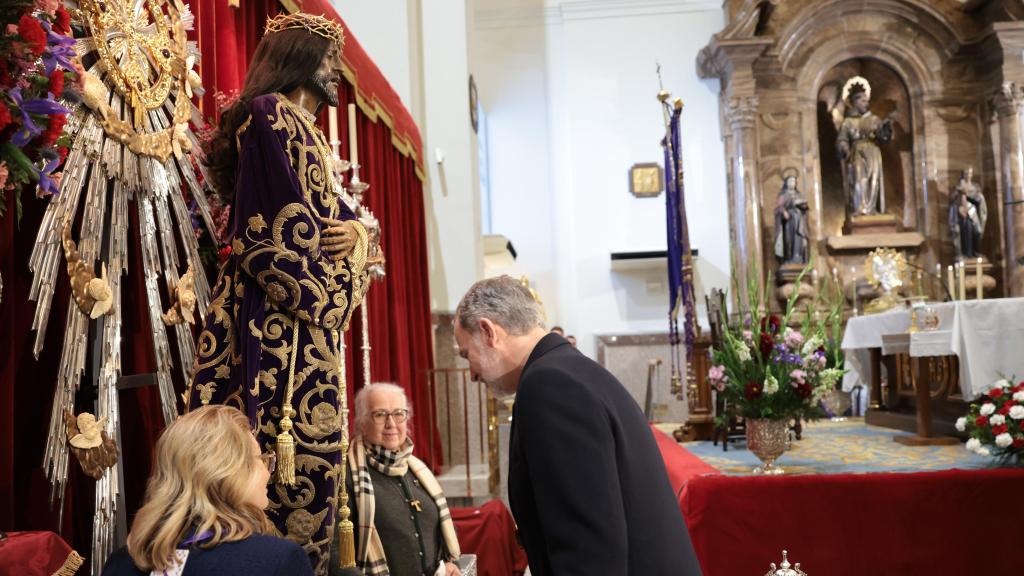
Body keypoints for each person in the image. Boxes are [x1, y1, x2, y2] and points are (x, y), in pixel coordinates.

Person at [185, 13, 379, 574]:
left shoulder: (305, 130)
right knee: (280, 471)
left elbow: (346, 226)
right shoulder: (272, 117)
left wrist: (361, 239)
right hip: (276, 325)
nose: (337, 72)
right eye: (327, 59)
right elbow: (270, 235)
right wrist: (339, 286)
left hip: (299, 326)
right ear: (295, 58)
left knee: (312, 486)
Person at [453, 276, 702, 575]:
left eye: (467, 355)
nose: (472, 374)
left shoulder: (549, 386)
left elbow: (588, 544)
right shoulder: (569, 369)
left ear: (488, 331)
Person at [102, 405, 314, 575]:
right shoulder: (278, 561)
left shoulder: (121, 563)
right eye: (261, 460)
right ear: (231, 471)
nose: (269, 473)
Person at [343, 383, 461, 576]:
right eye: (380, 414)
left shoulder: (418, 469)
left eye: (399, 414)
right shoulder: (347, 478)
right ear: (362, 423)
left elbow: (441, 526)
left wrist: (449, 563)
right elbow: (339, 556)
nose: (391, 424)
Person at [836, 79, 892, 216]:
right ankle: (859, 209)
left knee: (873, 180)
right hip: (856, 152)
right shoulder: (848, 121)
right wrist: (843, 146)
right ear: (854, 103)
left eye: (867, 101)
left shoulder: (874, 119)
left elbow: (883, 137)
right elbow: (842, 138)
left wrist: (886, 129)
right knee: (859, 180)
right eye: (862, 101)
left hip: (873, 151)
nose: (866, 104)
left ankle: (872, 209)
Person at [949, 167, 987, 261]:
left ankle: (976, 252)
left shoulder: (975, 186)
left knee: (977, 231)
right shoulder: (958, 186)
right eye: (966, 173)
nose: (968, 175)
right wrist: (959, 195)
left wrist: (969, 196)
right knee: (966, 232)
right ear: (963, 174)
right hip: (963, 214)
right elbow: (952, 199)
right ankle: (967, 254)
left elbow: (979, 199)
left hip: (973, 212)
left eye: (970, 173)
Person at [773, 171, 809, 265]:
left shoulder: (799, 194)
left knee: (799, 239)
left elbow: (804, 208)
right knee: (789, 240)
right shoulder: (783, 195)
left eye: (793, 181)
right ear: (786, 183)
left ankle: (798, 256)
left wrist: (803, 206)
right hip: (789, 223)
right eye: (790, 181)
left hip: (799, 221)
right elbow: (778, 208)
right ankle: (789, 258)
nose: (792, 183)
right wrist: (784, 212)